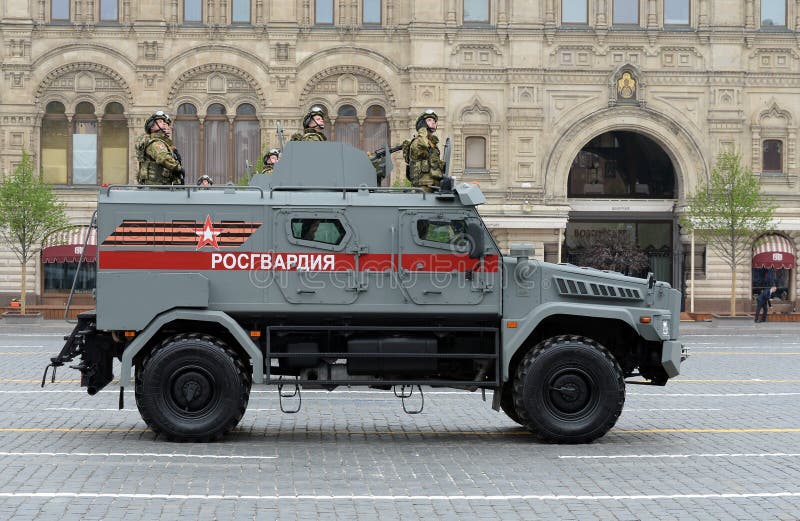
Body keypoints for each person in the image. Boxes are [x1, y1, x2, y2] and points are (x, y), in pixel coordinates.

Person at [135, 111, 185, 185]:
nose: (165, 124)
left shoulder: (165, 143)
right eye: (161, 121)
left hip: (163, 186)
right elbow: (163, 157)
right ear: (151, 126)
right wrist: (178, 168)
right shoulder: (155, 143)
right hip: (156, 187)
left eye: (167, 123)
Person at [406, 109, 445, 193]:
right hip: (422, 185)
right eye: (429, 120)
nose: (433, 122)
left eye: (434, 120)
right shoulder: (417, 141)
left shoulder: (432, 143)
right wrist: (422, 131)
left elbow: (434, 162)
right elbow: (423, 146)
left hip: (434, 184)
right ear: (423, 123)